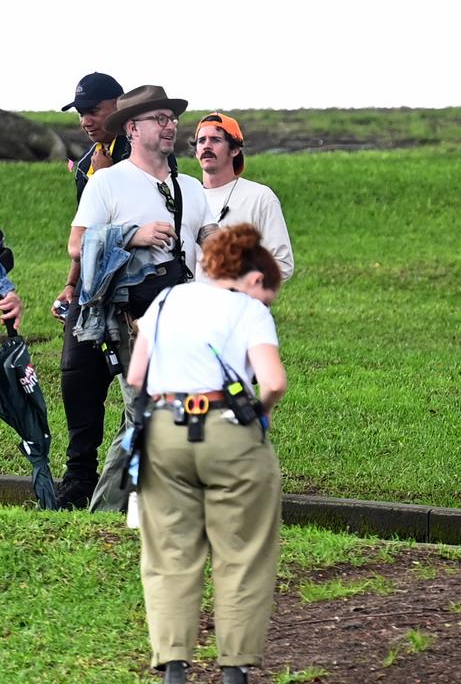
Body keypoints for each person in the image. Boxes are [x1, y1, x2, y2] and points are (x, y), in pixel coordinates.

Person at [125, 224, 286, 684]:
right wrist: (257, 412)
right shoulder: (249, 310)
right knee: (242, 552)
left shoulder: (168, 300)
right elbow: (272, 382)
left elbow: (137, 378)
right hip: (230, 434)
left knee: (169, 553)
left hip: (164, 432)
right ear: (254, 279)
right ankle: (234, 670)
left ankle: (174, 667)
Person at [69, 84, 218, 512]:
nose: (170, 126)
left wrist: (233, 254)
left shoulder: (188, 186)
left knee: (153, 414)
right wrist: (134, 235)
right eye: (160, 119)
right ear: (133, 128)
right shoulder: (109, 184)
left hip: (183, 317)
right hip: (131, 318)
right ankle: (104, 515)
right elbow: (77, 244)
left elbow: (205, 237)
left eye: (172, 119)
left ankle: (146, 509)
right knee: (145, 413)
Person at [53, 72, 133, 510]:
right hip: (88, 290)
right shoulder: (87, 163)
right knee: (77, 376)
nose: (86, 120)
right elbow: (84, 233)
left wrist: (111, 178)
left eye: (94, 111)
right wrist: (69, 283)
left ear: (118, 107)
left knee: (136, 390)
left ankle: (125, 483)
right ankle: (78, 478)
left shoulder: (141, 154)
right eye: (81, 112)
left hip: (132, 291)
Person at [192, 112, 294, 281]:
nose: (206, 146)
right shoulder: (188, 197)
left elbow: (282, 264)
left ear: (235, 149)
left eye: (215, 140)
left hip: (241, 305)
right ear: (196, 152)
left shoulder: (260, 197)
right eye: (201, 141)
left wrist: (239, 281)